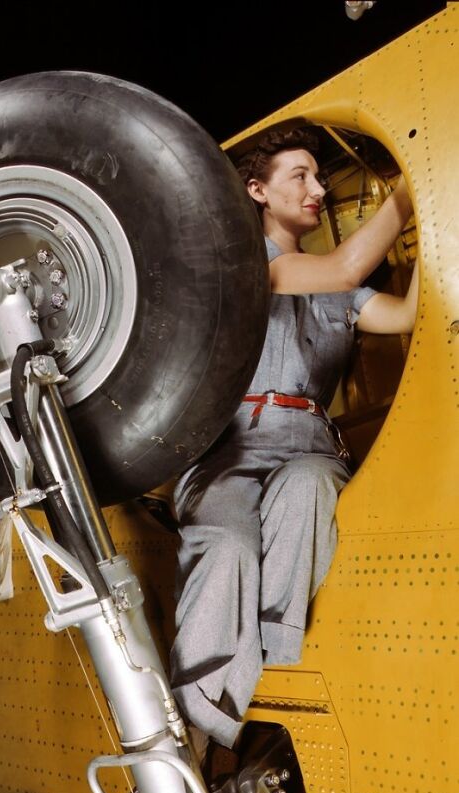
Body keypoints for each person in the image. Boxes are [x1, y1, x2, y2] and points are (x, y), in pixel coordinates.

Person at [169, 127, 418, 760]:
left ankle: (269, 691)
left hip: (307, 446)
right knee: (225, 544)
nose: (317, 188)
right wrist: (407, 195)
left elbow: (405, 314)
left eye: (318, 175)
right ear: (256, 190)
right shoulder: (244, 265)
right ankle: (189, 745)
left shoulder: (341, 293)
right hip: (227, 450)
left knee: (309, 488)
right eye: (298, 177)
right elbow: (341, 265)